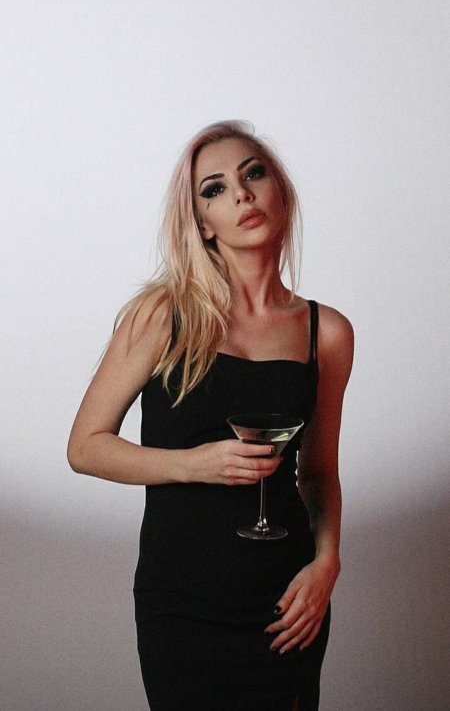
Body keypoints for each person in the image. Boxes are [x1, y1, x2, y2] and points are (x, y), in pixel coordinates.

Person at [68, 120, 354, 711]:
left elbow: (318, 472)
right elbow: (85, 446)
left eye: (254, 174)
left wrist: (326, 564)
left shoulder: (325, 331)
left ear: (280, 191)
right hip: (184, 603)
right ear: (202, 223)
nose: (242, 195)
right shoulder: (162, 315)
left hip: (286, 598)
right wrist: (194, 464)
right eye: (215, 189)